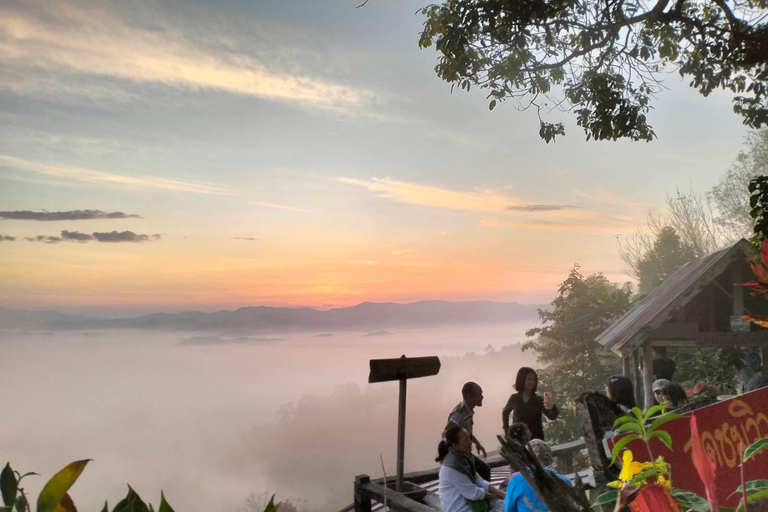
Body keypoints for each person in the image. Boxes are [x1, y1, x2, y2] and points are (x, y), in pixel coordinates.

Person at [437, 425, 506, 512]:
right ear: (455, 445)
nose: (470, 442)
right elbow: (474, 493)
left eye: (469, 438)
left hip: (471, 503)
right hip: (461, 508)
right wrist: (496, 497)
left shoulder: (463, 458)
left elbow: (479, 480)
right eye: (466, 439)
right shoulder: (452, 467)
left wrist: (502, 494)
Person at [503, 439, 571, 512]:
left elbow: (509, 509)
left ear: (526, 458)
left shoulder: (517, 479)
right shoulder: (565, 481)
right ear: (550, 457)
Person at [446, 382, 491, 481]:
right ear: (468, 396)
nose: (482, 397)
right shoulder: (459, 413)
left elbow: (466, 432)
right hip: (458, 454)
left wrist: (477, 444)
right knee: (482, 470)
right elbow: (447, 434)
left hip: (464, 452)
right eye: (479, 395)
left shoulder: (468, 410)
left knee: (483, 470)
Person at [502, 368, 558, 441]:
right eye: (528, 379)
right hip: (518, 440)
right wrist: (507, 431)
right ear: (522, 380)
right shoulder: (515, 398)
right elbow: (505, 413)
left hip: (536, 440)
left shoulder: (538, 400)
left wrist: (552, 406)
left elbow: (552, 416)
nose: (532, 382)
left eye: (534, 380)